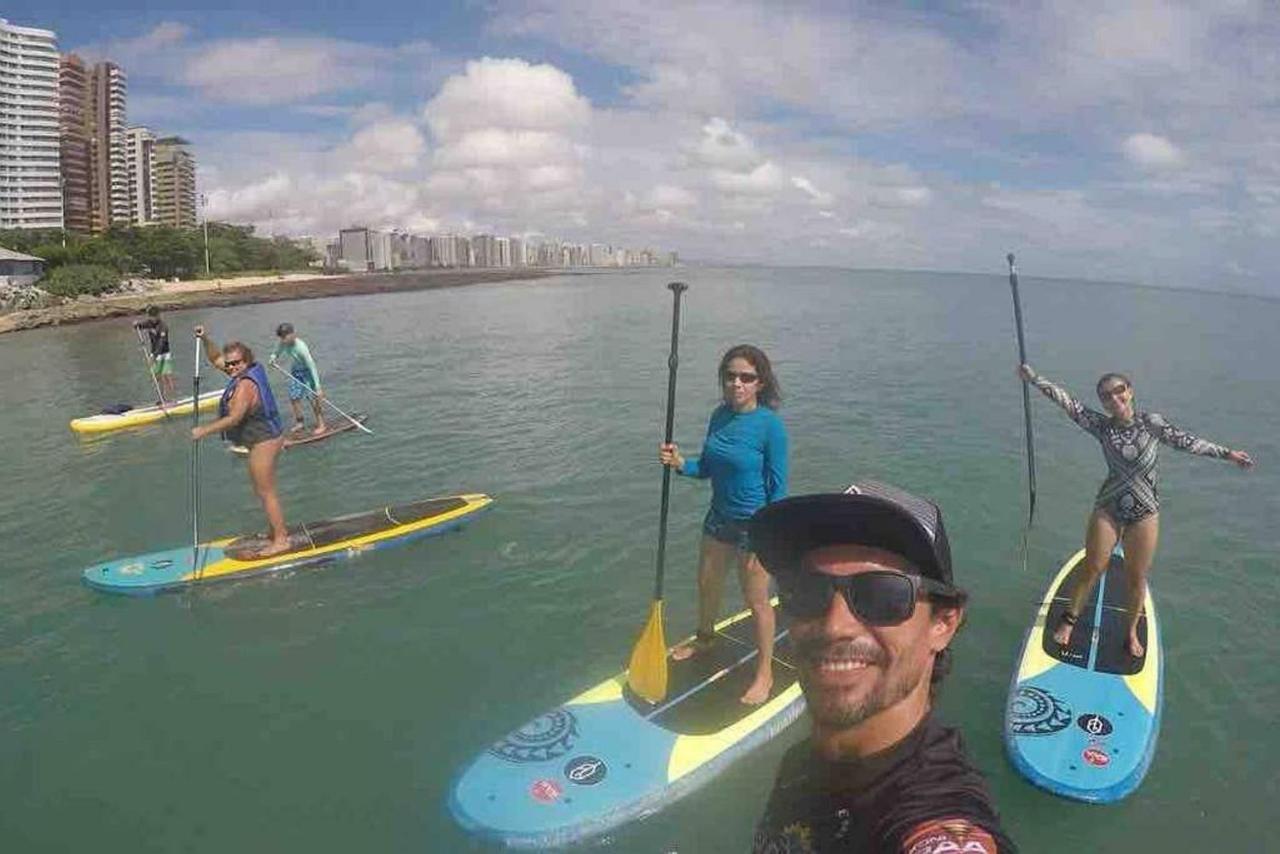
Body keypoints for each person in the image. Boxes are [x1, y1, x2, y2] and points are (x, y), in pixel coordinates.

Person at [749, 481, 1015, 853]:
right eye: (806, 590)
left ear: (943, 624)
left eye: (882, 595)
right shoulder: (802, 763)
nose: (835, 626)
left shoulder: (937, 821)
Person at [1019, 364, 1253, 657]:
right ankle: (1069, 621)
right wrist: (1033, 379)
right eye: (1106, 396)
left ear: (1130, 391)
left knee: (1136, 577)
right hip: (1109, 507)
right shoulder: (1101, 426)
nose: (1114, 398)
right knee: (1093, 566)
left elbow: (1186, 441)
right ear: (1102, 402)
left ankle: (1130, 631)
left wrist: (1227, 454)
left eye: (1119, 391)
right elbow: (1068, 403)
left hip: (1145, 512)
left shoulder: (1151, 423)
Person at [659, 344, 788, 705]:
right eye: (730, 376)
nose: (737, 383)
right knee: (707, 583)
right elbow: (708, 468)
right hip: (719, 517)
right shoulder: (718, 417)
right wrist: (681, 463)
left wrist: (766, 537)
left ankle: (765, 673)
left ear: (759, 383)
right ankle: (705, 637)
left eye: (746, 377)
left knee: (756, 600)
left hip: (755, 525)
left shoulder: (770, 427)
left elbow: (779, 487)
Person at [192, 325, 291, 559]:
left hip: (264, 440)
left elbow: (234, 418)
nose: (232, 367)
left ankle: (282, 540)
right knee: (261, 490)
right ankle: (275, 532)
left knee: (266, 491)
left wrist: (203, 431)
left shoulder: (246, 385)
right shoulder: (244, 372)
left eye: (237, 362)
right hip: (262, 438)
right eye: (230, 364)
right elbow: (216, 357)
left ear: (247, 360)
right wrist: (205, 337)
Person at [270, 322, 327, 436]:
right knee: (294, 397)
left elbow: (312, 366)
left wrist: (318, 387)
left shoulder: (301, 347)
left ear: (292, 334)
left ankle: (321, 424)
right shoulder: (283, 343)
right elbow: (277, 351)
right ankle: (300, 422)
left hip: (307, 372)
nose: (283, 340)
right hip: (296, 372)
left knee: (313, 398)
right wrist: (273, 357)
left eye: (284, 337)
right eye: (281, 337)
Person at [133, 305, 175, 403]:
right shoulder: (149, 323)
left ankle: (172, 399)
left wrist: (154, 356)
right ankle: (161, 399)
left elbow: (161, 342)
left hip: (164, 354)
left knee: (166, 376)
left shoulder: (163, 326)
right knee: (157, 377)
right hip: (154, 353)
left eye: (154, 316)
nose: (152, 318)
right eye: (150, 316)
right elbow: (140, 325)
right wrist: (136, 324)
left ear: (158, 315)